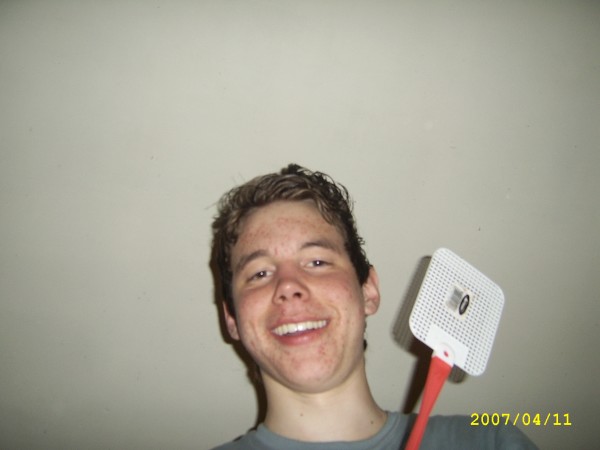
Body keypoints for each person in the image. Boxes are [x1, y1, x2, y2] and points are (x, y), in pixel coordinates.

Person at [210, 163, 537, 449]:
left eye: (318, 262)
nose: (288, 286)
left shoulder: (491, 442)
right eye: (260, 274)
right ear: (232, 319)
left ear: (368, 291)